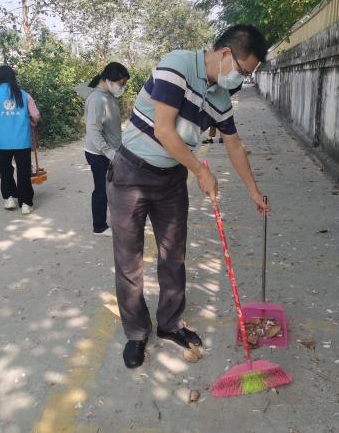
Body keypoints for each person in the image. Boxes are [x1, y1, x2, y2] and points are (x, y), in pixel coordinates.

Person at [108, 24, 271, 368]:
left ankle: (170, 324)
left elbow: (234, 144)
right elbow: (164, 130)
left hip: (171, 179)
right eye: (242, 71)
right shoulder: (177, 65)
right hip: (132, 173)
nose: (241, 80)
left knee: (174, 256)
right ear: (226, 54)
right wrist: (200, 170)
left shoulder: (221, 98)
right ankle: (136, 333)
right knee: (129, 260)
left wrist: (253, 190)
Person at [75, 62, 130, 236]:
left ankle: (120, 219)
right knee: (102, 189)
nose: (122, 87)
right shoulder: (97, 99)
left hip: (110, 151)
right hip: (99, 154)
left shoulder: (107, 95)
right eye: (121, 83)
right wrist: (109, 152)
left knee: (114, 187)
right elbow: (93, 130)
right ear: (109, 80)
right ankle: (99, 227)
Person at [0, 65, 41, 215]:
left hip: (1, 141)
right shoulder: (24, 94)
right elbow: (36, 115)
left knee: (5, 170)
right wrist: (33, 123)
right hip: (22, 141)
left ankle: (9, 198)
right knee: (23, 171)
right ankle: (25, 203)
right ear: (13, 77)